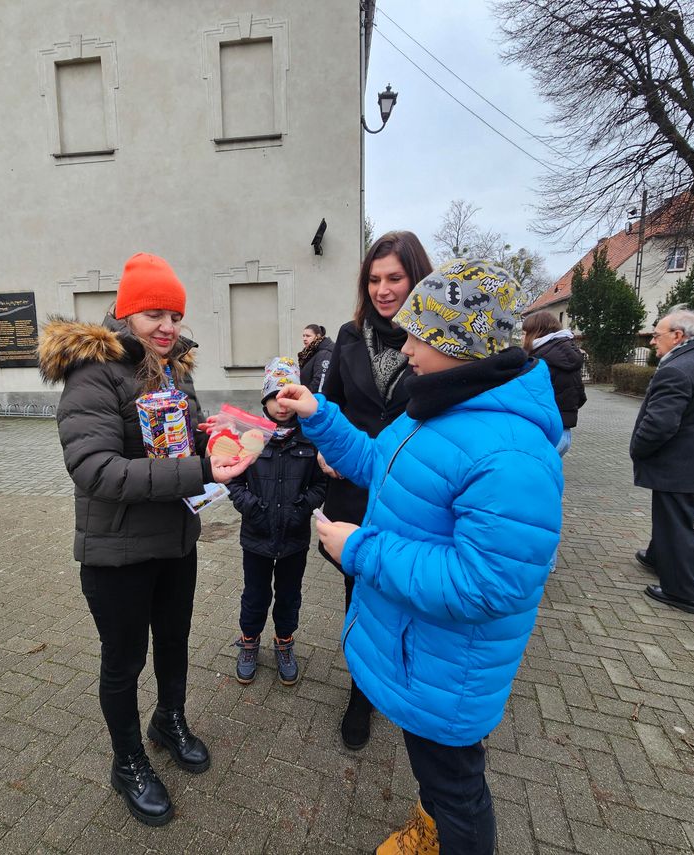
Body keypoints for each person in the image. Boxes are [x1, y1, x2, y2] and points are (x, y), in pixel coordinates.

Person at [276, 257, 564, 855]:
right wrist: (319, 416)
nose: (405, 348)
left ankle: (447, 835)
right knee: (437, 775)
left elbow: (487, 585)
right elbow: (379, 464)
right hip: (423, 650)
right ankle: (430, 827)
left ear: (457, 342)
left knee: (459, 789)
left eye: (417, 334)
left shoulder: (510, 453)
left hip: (449, 666)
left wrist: (361, 549)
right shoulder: (439, 406)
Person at [38, 253, 253, 827]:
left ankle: (170, 720)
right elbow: (97, 471)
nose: (167, 326)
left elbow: (187, 437)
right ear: (126, 313)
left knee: (175, 642)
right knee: (125, 660)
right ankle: (127, 760)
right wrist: (201, 470)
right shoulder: (94, 374)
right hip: (117, 554)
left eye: (175, 314)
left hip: (175, 542)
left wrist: (225, 436)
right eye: (154, 313)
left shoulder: (175, 368)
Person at [321, 229, 433, 750]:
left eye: (395, 278)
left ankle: (406, 676)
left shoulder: (436, 339)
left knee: (407, 582)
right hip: (354, 482)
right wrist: (327, 444)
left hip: (411, 488)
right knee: (358, 584)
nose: (383, 289)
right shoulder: (348, 335)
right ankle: (361, 691)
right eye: (374, 279)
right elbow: (334, 401)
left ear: (416, 278)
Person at [228, 357, 327, 686]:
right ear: (265, 400)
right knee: (254, 594)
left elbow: (321, 485)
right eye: (274, 397)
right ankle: (249, 641)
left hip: (294, 538)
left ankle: (284, 642)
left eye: (288, 397)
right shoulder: (251, 435)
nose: (280, 405)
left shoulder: (310, 440)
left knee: (289, 594)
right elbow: (233, 480)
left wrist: (302, 508)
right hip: (256, 535)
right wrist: (251, 506)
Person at [631, 305, 694, 616]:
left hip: (681, 463)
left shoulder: (678, 368)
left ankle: (684, 591)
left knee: (677, 523)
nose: (652, 341)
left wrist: (639, 448)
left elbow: (660, 424)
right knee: (673, 516)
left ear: (677, 336)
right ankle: (658, 557)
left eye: (657, 335)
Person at [522, 310, 587, 456]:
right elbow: (580, 396)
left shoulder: (539, 360)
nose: (522, 337)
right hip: (564, 432)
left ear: (535, 333)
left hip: (543, 432)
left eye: (525, 332)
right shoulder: (568, 355)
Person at [298, 324, 334, 393]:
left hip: (317, 399)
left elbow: (320, 380)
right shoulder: (310, 353)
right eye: (303, 336)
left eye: (308, 336)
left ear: (317, 336)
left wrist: (309, 396)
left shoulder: (324, 353)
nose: (304, 339)